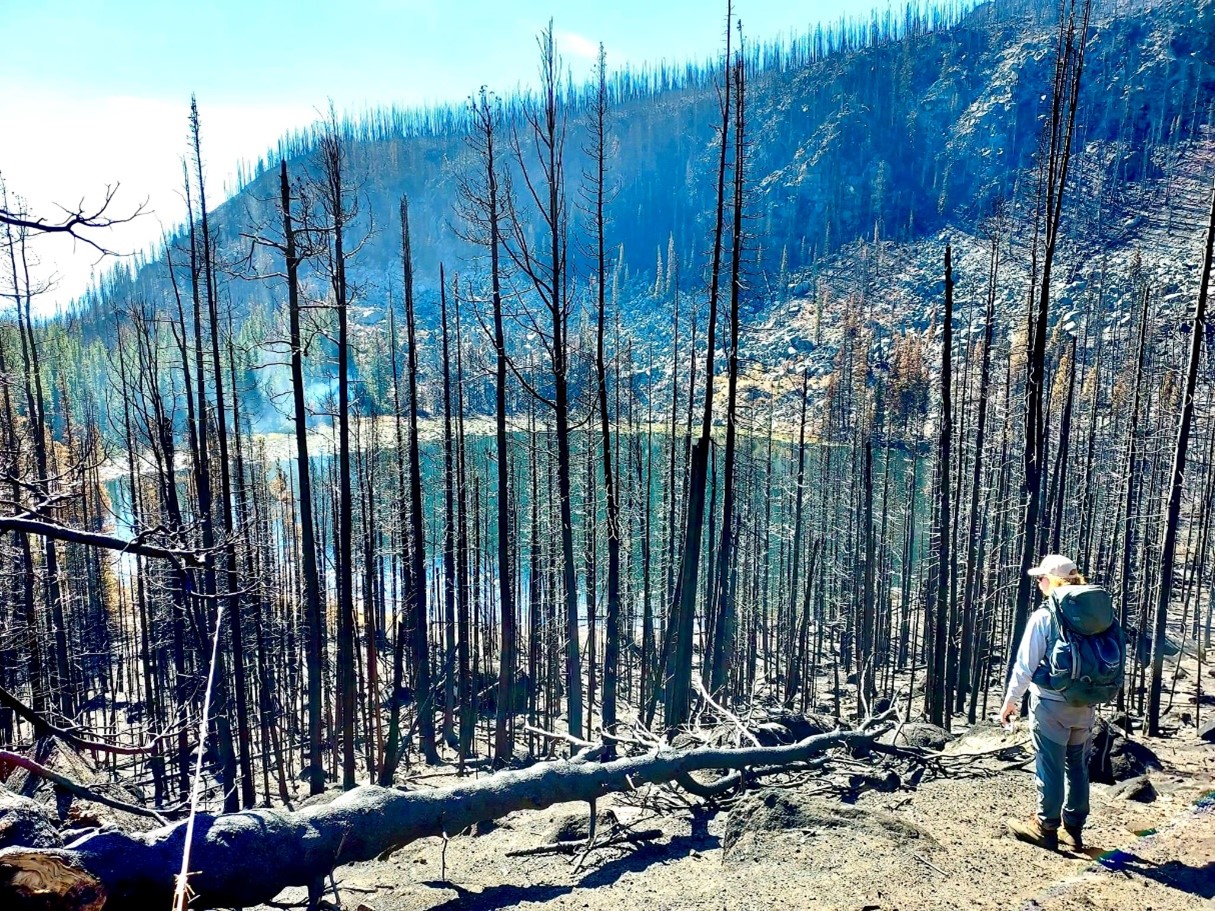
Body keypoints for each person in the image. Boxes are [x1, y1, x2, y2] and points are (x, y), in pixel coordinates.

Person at [1000, 554, 1094, 852]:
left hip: (1051, 704)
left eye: (1041, 578)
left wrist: (1010, 701)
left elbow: (1024, 665)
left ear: (1052, 580)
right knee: (1077, 766)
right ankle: (1074, 828)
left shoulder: (1045, 616)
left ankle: (1046, 827)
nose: (1038, 582)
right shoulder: (1094, 614)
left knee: (1050, 766)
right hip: (1086, 704)